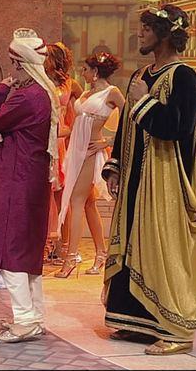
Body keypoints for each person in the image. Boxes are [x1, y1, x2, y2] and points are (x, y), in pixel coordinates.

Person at [102, 4, 196, 355]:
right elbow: (126, 125)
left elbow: (179, 128)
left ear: (164, 34)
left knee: (162, 249)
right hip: (136, 178)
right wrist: (115, 167)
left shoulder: (183, 76)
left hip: (164, 184)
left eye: (147, 28)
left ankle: (175, 330)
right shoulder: (140, 75)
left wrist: (144, 100)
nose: (140, 34)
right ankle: (136, 320)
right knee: (133, 243)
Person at [0, 28, 60, 343]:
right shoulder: (43, 94)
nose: (12, 72)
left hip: (16, 182)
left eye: (14, 65)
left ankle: (25, 320)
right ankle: (34, 316)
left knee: (11, 250)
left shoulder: (26, 96)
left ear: (22, 65)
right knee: (27, 251)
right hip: (31, 180)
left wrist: (1, 89)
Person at [55, 52, 125, 278]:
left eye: (85, 69)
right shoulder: (86, 93)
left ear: (95, 71)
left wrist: (108, 142)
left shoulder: (112, 93)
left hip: (91, 153)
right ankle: (101, 253)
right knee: (88, 203)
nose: (82, 73)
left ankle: (71, 257)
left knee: (76, 201)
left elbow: (129, 121)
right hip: (76, 151)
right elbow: (75, 123)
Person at [42, 43, 83, 264]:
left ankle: (63, 246)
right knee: (44, 195)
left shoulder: (71, 84)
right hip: (45, 139)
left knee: (62, 196)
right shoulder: (40, 80)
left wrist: (73, 129)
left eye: (47, 56)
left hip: (61, 142)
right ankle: (44, 244)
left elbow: (85, 108)